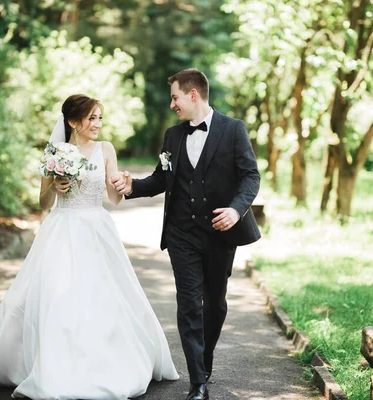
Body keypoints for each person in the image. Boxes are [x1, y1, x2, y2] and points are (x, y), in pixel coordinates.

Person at [0, 94, 179, 400]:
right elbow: (43, 202)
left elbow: (114, 199)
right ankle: (53, 366)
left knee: (103, 297)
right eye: (91, 118)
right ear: (72, 122)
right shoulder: (56, 153)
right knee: (58, 296)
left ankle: (103, 366)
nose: (97, 124)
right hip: (61, 229)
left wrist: (121, 184)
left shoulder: (106, 150)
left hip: (96, 229)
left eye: (99, 118)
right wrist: (55, 185)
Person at [111, 69, 261, 400]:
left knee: (215, 304)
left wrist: (236, 210)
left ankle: (204, 359)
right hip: (181, 234)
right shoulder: (172, 135)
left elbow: (250, 176)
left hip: (220, 233)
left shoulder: (233, 129)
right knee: (189, 303)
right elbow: (161, 179)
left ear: (193, 95)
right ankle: (198, 382)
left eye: (175, 97)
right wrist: (132, 186)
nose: (172, 104)